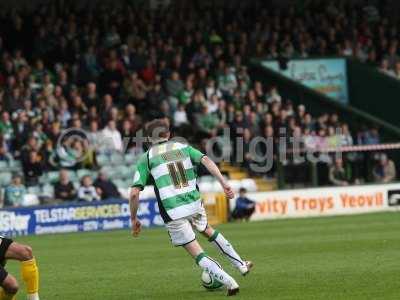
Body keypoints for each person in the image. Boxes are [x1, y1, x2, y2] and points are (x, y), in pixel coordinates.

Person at [129, 119, 253, 296]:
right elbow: (206, 160)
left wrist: (133, 218)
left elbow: (134, 193)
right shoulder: (183, 147)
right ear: (169, 134)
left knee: (197, 252)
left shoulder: (146, 158)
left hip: (173, 210)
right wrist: (224, 183)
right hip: (194, 202)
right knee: (208, 230)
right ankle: (241, 265)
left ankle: (230, 283)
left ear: (148, 138)